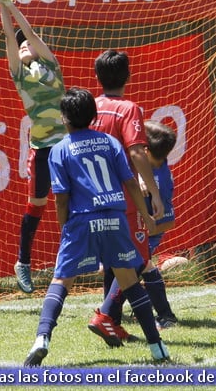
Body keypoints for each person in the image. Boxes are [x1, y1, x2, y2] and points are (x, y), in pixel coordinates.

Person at [23, 87, 170, 366]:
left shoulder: (59, 150)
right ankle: (157, 347)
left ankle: (42, 338)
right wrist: (146, 215)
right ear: (93, 117)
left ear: (63, 118)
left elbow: (62, 197)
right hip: (115, 218)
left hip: (82, 219)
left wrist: (64, 225)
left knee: (61, 280)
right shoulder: (110, 143)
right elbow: (129, 182)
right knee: (129, 281)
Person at [0, 0, 66, 293]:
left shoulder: (50, 66)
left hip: (66, 147)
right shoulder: (19, 75)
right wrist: (1, 4)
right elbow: (11, 34)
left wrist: (13, 5)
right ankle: (23, 262)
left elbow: (29, 32)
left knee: (75, 202)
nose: (23, 44)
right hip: (42, 149)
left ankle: (81, 259)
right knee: (36, 204)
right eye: (20, 45)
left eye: (28, 44)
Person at [86, 49, 165, 339]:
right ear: (128, 76)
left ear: (97, 77)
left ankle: (113, 323)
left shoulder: (90, 107)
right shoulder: (128, 108)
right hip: (123, 197)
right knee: (137, 258)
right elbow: (136, 150)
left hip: (93, 196)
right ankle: (104, 314)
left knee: (113, 259)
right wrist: (153, 192)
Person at [88, 120, 179, 347]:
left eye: (136, 146)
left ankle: (108, 316)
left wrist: (143, 234)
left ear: (144, 151)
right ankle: (113, 322)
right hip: (129, 231)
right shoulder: (141, 168)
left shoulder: (158, 180)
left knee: (133, 267)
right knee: (119, 267)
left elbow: (167, 221)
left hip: (143, 234)